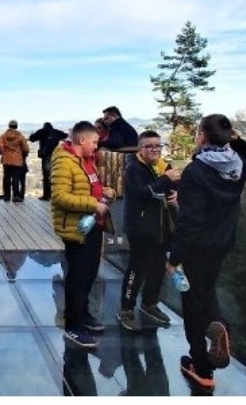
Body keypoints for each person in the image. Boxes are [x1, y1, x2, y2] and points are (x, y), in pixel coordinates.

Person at [167, 114, 246, 392]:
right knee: (205, 290)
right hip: (222, 243)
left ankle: (202, 368)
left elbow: (189, 222)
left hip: (197, 249)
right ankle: (219, 325)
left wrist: (174, 259)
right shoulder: (237, 165)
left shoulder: (196, 172)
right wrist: (238, 139)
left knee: (193, 305)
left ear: (203, 137)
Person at [51, 120, 116, 348]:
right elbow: (59, 196)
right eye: (95, 142)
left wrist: (106, 193)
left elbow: (91, 187)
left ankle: (83, 314)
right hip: (77, 228)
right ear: (82, 140)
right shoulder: (64, 162)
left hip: (93, 225)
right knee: (78, 276)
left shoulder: (87, 161)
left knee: (89, 273)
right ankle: (73, 325)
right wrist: (92, 204)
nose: (97, 146)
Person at [116, 130, 180, 332]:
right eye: (149, 146)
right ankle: (126, 309)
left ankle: (149, 304)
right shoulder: (133, 169)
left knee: (158, 268)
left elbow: (175, 187)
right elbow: (145, 193)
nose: (154, 149)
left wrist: (177, 195)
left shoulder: (163, 166)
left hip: (162, 227)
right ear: (140, 149)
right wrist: (166, 179)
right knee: (137, 268)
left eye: (157, 146)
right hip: (140, 228)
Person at [29, 122, 69, 200]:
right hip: (56, 156)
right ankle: (56, 194)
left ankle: (46, 195)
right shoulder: (56, 132)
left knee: (46, 176)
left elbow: (32, 138)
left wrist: (32, 134)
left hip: (46, 156)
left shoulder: (41, 131)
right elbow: (66, 136)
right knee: (55, 176)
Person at [0, 120, 30, 202]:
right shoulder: (20, 136)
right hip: (17, 160)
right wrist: (23, 154)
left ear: (9, 126)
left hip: (6, 159)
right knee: (16, 178)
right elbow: (26, 149)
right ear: (16, 126)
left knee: (6, 177)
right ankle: (16, 196)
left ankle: (7, 196)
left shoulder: (4, 136)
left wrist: (3, 152)